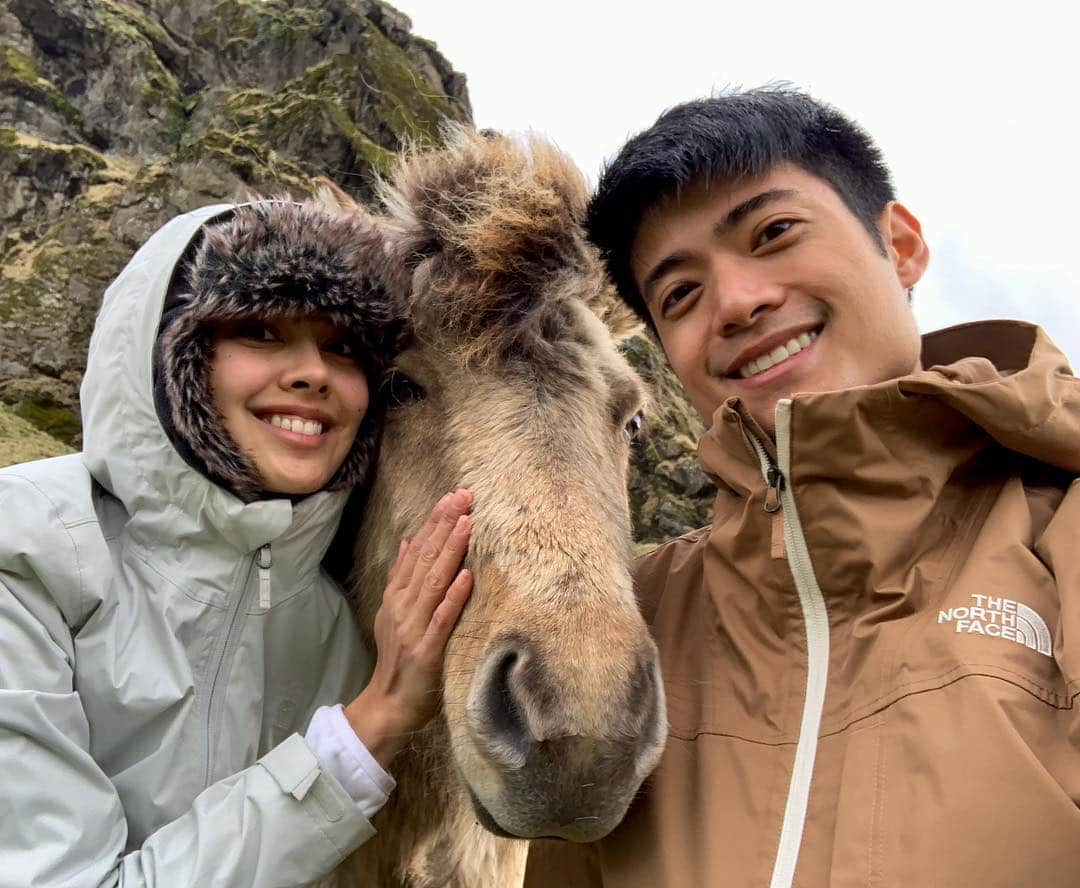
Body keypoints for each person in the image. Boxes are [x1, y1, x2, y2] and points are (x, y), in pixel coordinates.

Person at [525, 89, 1080, 887]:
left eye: (773, 234)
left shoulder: (1060, 532)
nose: (740, 302)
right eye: (680, 294)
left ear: (901, 244)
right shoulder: (634, 625)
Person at [0, 199, 475, 885]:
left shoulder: (349, 621)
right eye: (259, 330)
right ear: (177, 359)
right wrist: (374, 721)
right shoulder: (26, 550)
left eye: (343, 347)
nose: (313, 372)